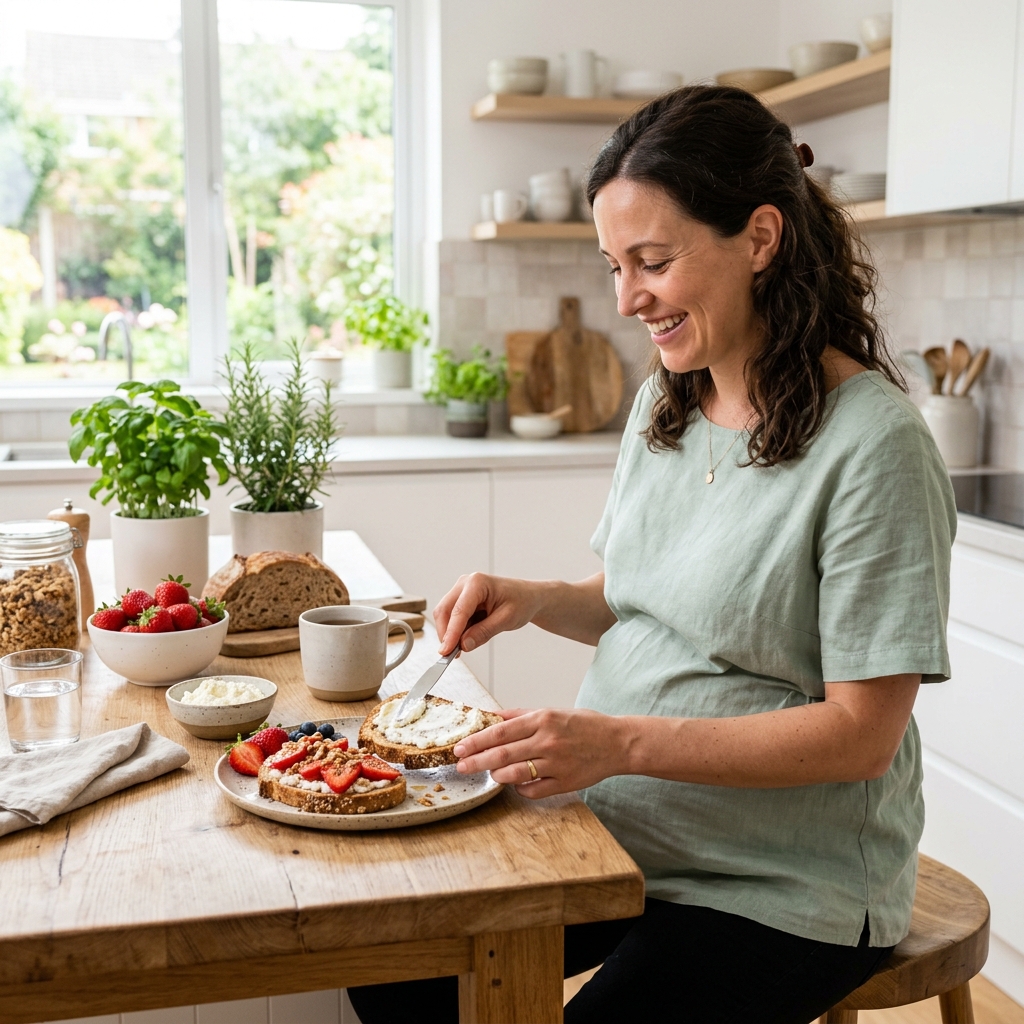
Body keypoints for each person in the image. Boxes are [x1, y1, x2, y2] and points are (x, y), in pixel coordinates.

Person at [348, 84, 956, 1024]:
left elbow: (862, 736)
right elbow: (650, 598)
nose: (628, 299)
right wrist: (540, 597)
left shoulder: (875, 444)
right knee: (393, 963)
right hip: (618, 826)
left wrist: (618, 741)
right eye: (613, 266)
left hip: (780, 882)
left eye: (654, 261)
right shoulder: (669, 407)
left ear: (760, 238)